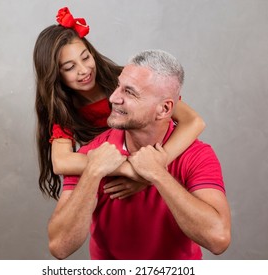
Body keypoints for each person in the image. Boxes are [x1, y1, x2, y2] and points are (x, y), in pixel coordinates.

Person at [48, 49, 231, 260]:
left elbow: (218, 240)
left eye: (130, 92)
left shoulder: (196, 155)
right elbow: (59, 247)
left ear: (164, 109)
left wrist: (156, 174)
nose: (114, 98)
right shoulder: (92, 155)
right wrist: (93, 172)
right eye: (118, 86)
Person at [33, 7, 206, 200]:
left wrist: (151, 172)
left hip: (168, 157)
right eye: (70, 67)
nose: (83, 70)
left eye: (85, 57)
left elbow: (194, 121)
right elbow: (61, 162)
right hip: (121, 176)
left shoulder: (126, 78)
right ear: (55, 75)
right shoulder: (64, 109)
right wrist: (130, 169)